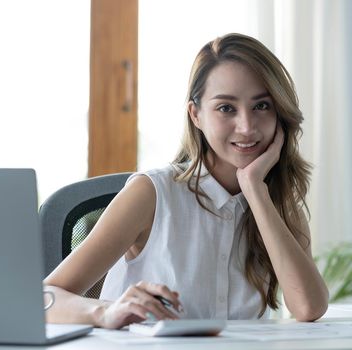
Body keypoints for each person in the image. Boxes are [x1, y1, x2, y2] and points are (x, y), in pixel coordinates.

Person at [44, 33, 329, 329]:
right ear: (196, 115)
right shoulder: (151, 194)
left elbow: (308, 307)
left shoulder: (278, 204)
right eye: (226, 108)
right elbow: (45, 297)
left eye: (261, 106)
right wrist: (105, 311)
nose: (246, 127)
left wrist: (255, 191)